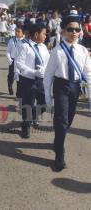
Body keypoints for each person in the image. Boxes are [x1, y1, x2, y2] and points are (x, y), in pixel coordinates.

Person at [44, 15, 91, 172]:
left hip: (75, 87)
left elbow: (88, 73)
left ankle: (58, 138)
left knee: (68, 119)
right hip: (61, 85)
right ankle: (59, 154)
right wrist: (47, 97)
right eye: (70, 29)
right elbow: (48, 75)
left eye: (77, 29)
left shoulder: (83, 50)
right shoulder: (57, 51)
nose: (74, 32)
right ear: (63, 31)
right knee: (61, 119)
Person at [16, 23, 50, 138]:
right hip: (28, 80)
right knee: (28, 105)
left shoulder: (44, 47)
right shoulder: (24, 46)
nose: (46, 36)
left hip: (41, 81)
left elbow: (48, 63)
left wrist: (44, 71)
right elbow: (19, 64)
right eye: (44, 34)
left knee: (45, 103)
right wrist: (33, 72)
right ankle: (26, 126)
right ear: (36, 34)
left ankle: (33, 116)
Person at [6, 26, 25, 95]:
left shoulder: (25, 41)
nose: (16, 33)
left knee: (20, 77)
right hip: (13, 60)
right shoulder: (11, 40)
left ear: (23, 33)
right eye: (15, 31)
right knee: (11, 76)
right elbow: (8, 51)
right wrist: (9, 59)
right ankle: (10, 86)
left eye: (18, 31)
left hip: (21, 61)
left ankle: (18, 93)